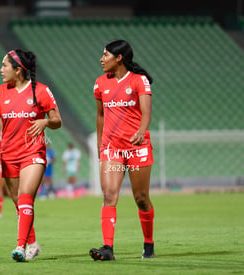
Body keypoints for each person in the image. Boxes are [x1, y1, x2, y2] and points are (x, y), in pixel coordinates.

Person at [0, 49, 62, 262]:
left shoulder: (41, 91)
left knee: (26, 196)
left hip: (33, 152)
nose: (1, 69)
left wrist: (45, 121)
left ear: (18, 70)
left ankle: (20, 246)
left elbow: (57, 120)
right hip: (9, 155)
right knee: (19, 202)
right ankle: (33, 244)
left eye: (4, 65)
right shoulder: (1, 91)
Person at [89, 40, 155, 261]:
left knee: (141, 198)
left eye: (105, 54)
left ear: (119, 58)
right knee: (109, 195)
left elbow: (146, 113)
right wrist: (100, 144)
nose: (101, 58)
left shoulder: (139, 81)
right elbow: (100, 115)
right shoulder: (100, 84)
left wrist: (141, 131)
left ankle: (148, 243)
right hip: (112, 147)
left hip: (137, 147)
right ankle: (107, 248)